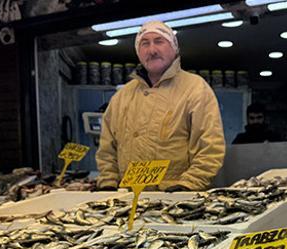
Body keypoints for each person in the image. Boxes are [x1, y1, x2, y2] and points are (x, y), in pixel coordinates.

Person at [96, 21, 226, 191]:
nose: (152, 50)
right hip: (126, 201)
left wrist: (188, 185)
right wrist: (108, 183)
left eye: (159, 41)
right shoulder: (122, 96)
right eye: (145, 43)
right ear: (138, 52)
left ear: (174, 48)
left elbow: (210, 147)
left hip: (175, 202)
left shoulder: (195, 88)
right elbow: (107, 150)